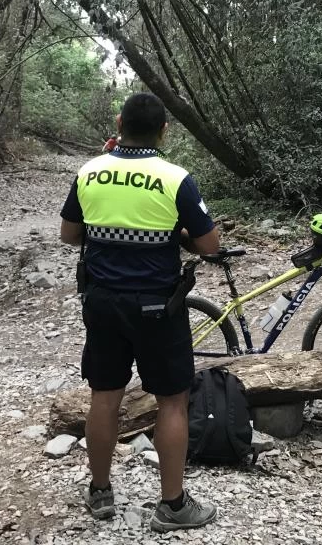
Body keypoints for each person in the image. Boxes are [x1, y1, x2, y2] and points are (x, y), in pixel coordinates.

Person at [60, 92, 220, 532]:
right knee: (172, 401)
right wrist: (180, 236)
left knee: (104, 395)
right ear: (164, 131)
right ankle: (172, 505)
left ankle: (100, 491)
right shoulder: (175, 178)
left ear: (118, 122)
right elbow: (210, 246)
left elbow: (69, 235)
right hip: (158, 307)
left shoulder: (89, 172)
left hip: (103, 302)